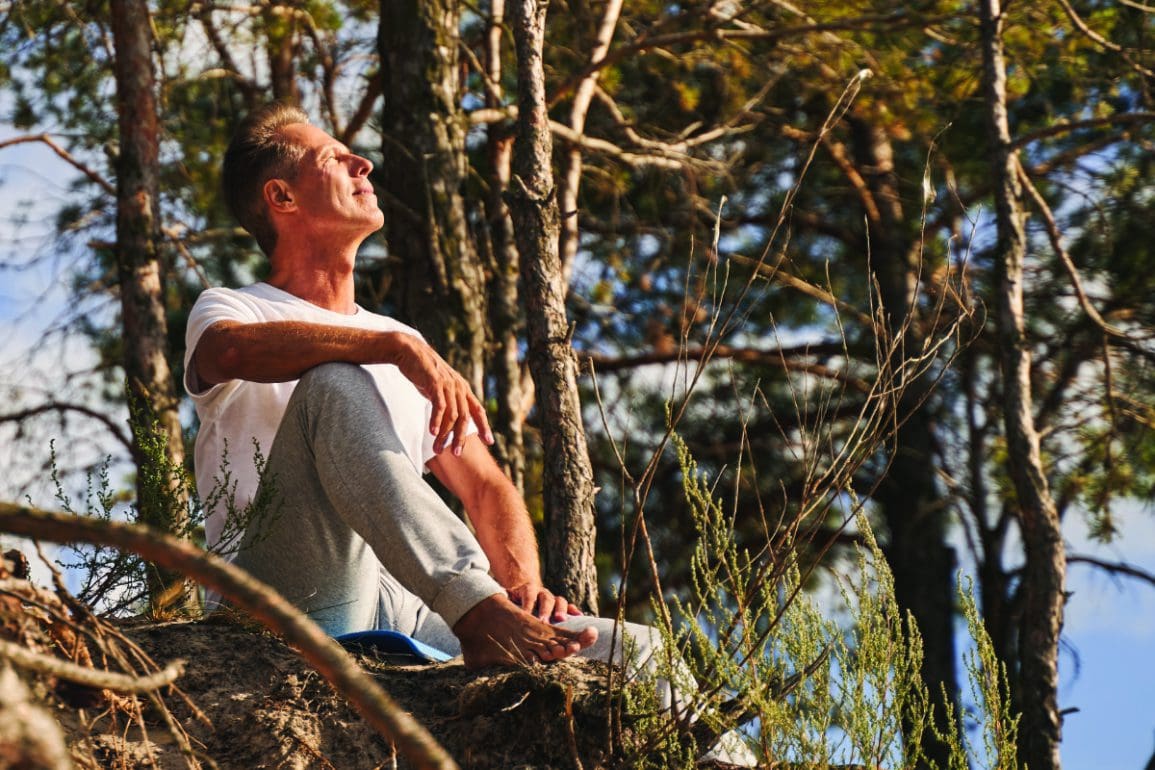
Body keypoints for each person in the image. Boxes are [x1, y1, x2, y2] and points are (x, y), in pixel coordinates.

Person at [185, 101, 620, 668]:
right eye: (335, 160)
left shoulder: (398, 336)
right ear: (282, 197)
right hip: (287, 594)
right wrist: (391, 348)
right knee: (335, 385)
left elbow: (485, 486)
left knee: (635, 653)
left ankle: (493, 615)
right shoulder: (233, 309)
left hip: (415, 606)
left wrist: (523, 588)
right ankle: (477, 609)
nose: (363, 164)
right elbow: (233, 350)